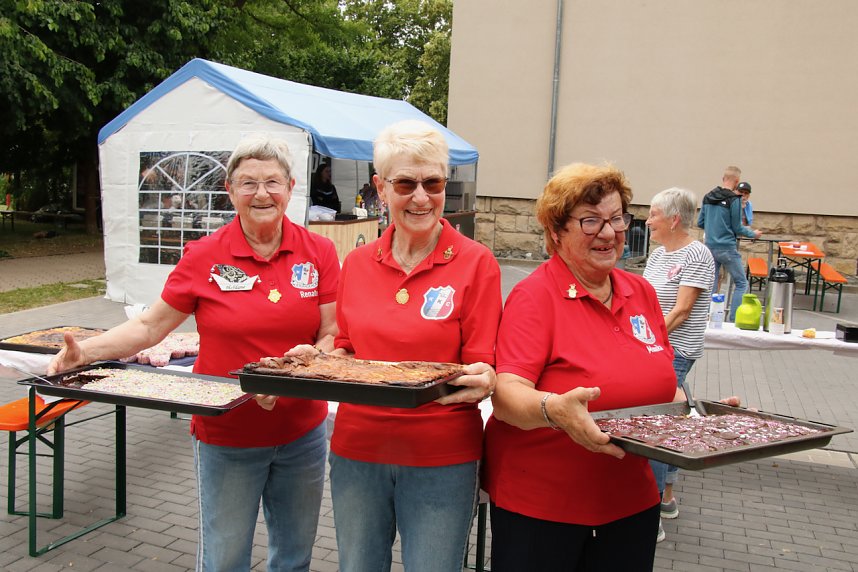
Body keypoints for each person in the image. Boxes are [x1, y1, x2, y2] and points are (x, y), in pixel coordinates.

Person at [49, 135, 340, 572]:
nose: (261, 194)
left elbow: (332, 334)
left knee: (294, 558)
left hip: (303, 434)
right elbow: (150, 326)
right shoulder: (204, 256)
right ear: (230, 190)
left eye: (272, 182)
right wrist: (85, 352)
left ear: (291, 187)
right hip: (228, 437)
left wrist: (302, 369)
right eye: (248, 183)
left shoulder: (318, 251)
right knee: (224, 560)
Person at [482, 162, 683, 571]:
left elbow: (664, 385)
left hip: (630, 502)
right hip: (543, 507)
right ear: (556, 232)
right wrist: (553, 410)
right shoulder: (534, 297)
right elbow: (506, 396)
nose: (608, 233)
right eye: (590, 221)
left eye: (616, 218)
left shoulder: (640, 291)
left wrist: (699, 416)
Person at [325, 119, 502, 571]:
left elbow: (483, 361)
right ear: (380, 188)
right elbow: (346, 344)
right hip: (358, 450)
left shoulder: (476, 263)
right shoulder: (359, 263)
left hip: (441, 455)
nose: (421, 197)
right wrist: (321, 358)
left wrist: (486, 378)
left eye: (433, 182)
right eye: (405, 183)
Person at [643, 187, 715, 542]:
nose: (647, 220)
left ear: (673, 219)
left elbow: (682, 311)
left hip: (674, 352)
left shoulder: (698, 254)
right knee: (671, 422)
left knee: (654, 429)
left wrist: (646, 342)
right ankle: (667, 497)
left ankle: (650, 509)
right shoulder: (657, 255)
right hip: (653, 350)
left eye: (653, 214)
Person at [698, 166, 761, 321]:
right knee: (741, 283)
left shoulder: (707, 197)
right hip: (727, 247)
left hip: (710, 247)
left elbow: (700, 222)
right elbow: (737, 227)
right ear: (737, 181)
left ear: (723, 178)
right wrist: (753, 234)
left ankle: (707, 317)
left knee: (711, 283)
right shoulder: (734, 200)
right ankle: (734, 320)